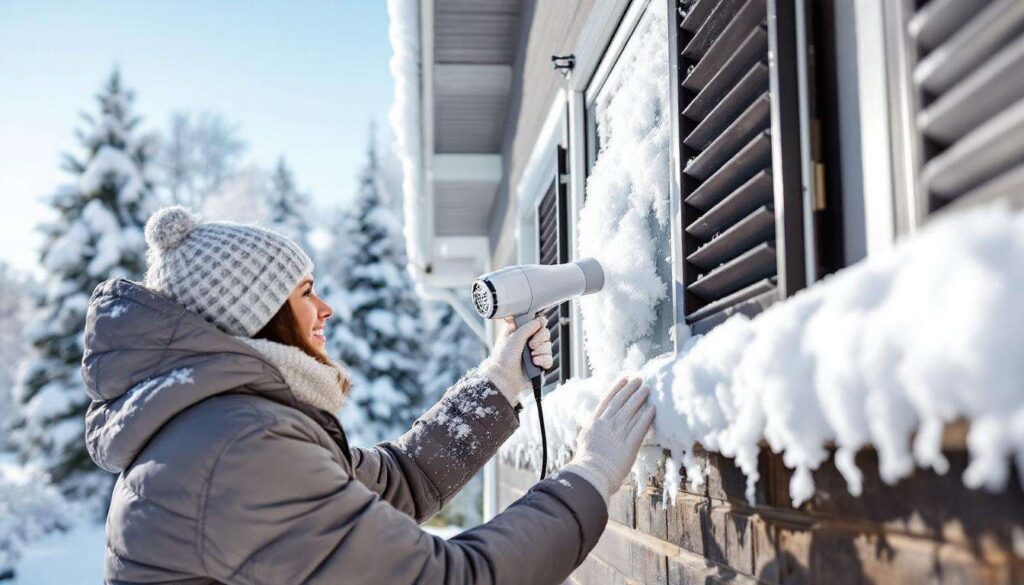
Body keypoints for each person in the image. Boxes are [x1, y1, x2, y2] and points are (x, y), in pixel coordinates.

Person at [82, 205, 655, 585]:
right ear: (258, 315)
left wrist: (499, 383)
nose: (325, 309)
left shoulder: (219, 429)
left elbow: (398, 481)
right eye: (305, 293)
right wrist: (590, 476)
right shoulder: (237, 450)